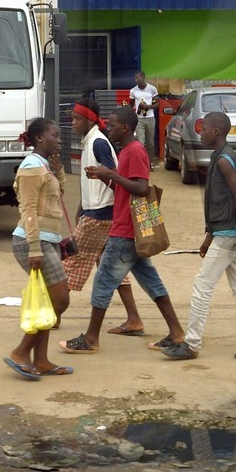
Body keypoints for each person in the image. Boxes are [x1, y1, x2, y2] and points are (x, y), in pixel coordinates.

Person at [59, 105, 186, 354]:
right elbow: (124, 189)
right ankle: (177, 333)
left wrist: (112, 175)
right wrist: (105, 177)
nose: (109, 127)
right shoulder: (127, 150)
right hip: (127, 230)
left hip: (125, 230)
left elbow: (141, 188)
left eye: (113, 125)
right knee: (152, 283)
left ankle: (91, 339)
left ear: (125, 128)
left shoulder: (135, 151)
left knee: (103, 282)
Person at [160, 113, 236, 361]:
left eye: (203, 129)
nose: (200, 132)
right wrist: (209, 235)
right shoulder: (221, 155)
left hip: (230, 235)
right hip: (226, 232)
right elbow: (220, 201)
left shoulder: (224, 159)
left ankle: (191, 344)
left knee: (202, 287)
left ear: (215, 132)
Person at [65, 95, 145, 335]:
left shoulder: (98, 142)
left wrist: (109, 204)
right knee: (112, 267)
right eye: (72, 119)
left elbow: (112, 175)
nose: (73, 123)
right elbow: (93, 180)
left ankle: (50, 314)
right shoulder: (91, 141)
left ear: (90, 120)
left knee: (70, 260)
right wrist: (82, 208)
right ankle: (134, 318)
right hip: (97, 211)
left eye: (77, 119)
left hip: (100, 214)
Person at [4, 117, 73, 379]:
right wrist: (34, 247)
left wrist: (59, 172)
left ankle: (41, 360)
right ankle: (21, 352)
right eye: (55, 135)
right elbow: (28, 209)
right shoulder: (31, 166)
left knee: (49, 302)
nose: (59, 140)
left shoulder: (43, 165)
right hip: (34, 241)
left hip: (48, 240)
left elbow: (57, 197)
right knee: (59, 299)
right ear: (40, 138)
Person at [128, 71, 158, 155]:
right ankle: (141, 160)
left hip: (150, 118)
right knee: (140, 142)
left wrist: (148, 106)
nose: (136, 80)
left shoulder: (152, 89)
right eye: (135, 79)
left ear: (143, 77)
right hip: (139, 119)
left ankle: (150, 161)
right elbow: (131, 104)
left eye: (138, 78)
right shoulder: (133, 91)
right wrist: (128, 114)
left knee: (150, 143)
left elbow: (157, 104)